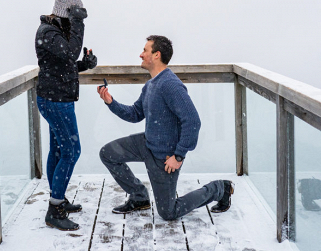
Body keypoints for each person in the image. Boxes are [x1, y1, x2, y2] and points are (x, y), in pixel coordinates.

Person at [97, 35, 234, 221]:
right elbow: (135, 114)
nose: (140, 54)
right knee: (108, 153)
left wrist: (178, 156)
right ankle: (139, 197)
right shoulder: (150, 85)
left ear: (156, 55)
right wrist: (111, 102)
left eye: (145, 50)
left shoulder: (170, 85)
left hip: (165, 157)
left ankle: (220, 188)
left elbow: (193, 121)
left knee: (169, 212)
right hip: (147, 144)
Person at [35, 0, 97, 231]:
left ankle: (56, 198)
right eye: (73, 15)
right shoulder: (48, 32)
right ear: (66, 14)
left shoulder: (54, 32)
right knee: (72, 150)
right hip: (55, 101)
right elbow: (70, 53)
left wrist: (86, 65)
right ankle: (55, 209)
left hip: (57, 98)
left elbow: (65, 63)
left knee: (60, 150)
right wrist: (79, 22)